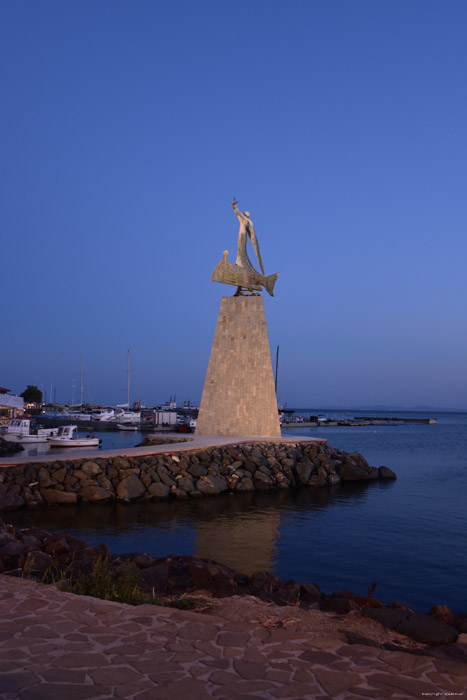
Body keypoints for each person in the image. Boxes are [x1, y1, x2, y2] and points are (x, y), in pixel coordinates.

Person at [231, 199, 265, 295]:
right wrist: (235, 208)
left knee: (241, 254)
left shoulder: (245, 220)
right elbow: (238, 214)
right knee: (241, 254)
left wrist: (235, 207)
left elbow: (238, 214)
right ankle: (240, 265)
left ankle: (241, 266)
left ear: (246, 215)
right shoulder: (245, 220)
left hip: (242, 236)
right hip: (242, 236)